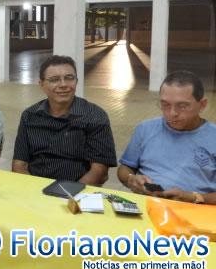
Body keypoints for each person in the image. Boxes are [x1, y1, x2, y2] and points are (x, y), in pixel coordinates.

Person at [12, 55, 117, 185]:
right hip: (35, 189)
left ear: (76, 81)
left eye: (69, 78)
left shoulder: (95, 116)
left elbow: (99, 171)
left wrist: (69, 194)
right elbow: (19, 164)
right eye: (54, 80)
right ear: (41, 84)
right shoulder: (29, 116)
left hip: (78, 191)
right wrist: (34, 192)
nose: (63, 85)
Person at [118, 71, 216, 205]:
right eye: (165, 105)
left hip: (197, 212)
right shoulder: (145, 129)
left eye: (182, 106)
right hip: (148, 206)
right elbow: (125, 168)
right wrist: (131, 179)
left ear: (202, 105)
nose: (172, 113)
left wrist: (195, 197)